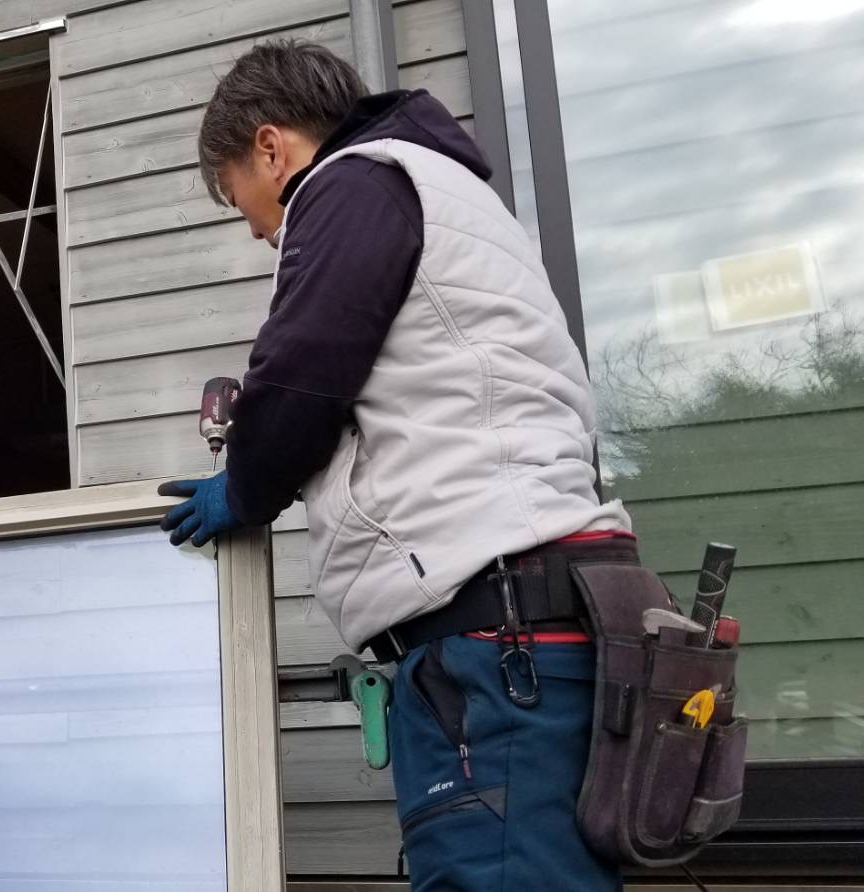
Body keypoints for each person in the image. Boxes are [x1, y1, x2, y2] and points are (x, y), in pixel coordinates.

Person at [157, 40, 634, 890]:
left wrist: (248, 486)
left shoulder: (352, 184)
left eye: (240, 201)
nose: (259, 230)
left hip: (493, 639)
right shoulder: (439, 193)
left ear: (270, 148)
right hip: (536, 611)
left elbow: (300, 371)